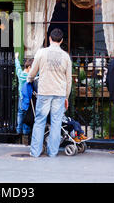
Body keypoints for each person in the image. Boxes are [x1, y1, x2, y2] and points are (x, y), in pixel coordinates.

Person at [27, 28, 72, 158]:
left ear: (50, 39)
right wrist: (66, 97)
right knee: (56, 123)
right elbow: (68, 80)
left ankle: (35, 152)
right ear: (61, 40)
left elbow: (33, 71)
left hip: (45, 91)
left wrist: (29, 79)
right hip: (59, 92)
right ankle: (53, 152)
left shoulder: (41, 53)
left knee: (40, 121)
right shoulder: (65, 57)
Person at [15, 52, 33, 138]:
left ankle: (19, 129)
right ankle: (26, 130)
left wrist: (16, 59)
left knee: (20, 113)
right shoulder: (29, 76)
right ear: (29, 67)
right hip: (27, 98)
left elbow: (18, 67)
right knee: (27, 113)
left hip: (21, 97)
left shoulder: (20, 74)